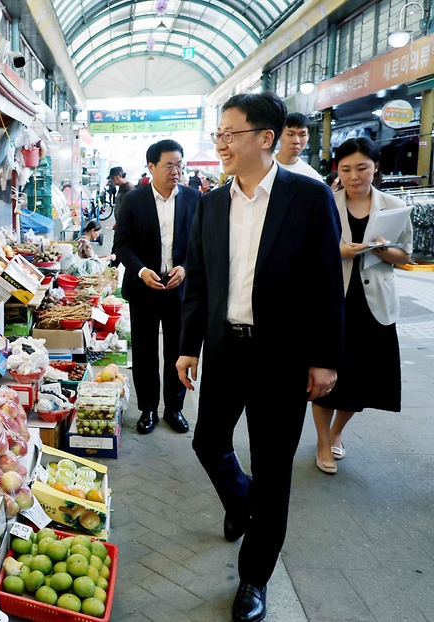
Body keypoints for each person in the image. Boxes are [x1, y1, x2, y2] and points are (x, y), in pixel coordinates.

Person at [176, 92, 344, 622]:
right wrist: (187, 347)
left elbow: (325, 284)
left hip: (282, 359)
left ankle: (254, 578)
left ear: (265, 138)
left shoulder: (307, 198)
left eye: (230, 134)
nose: (220, 144)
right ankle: (240, 498)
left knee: (274, 471)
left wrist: (325, 358)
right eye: (218, 135)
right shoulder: (212, 202)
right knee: (207, 441)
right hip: (225, 351)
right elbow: (200, 282)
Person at [311, 138, 412, 474]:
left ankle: (337, 432)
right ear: (337, 169)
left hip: (373, 307)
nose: (354, 176)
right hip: (332, 302)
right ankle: (323, 442)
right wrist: (339, 251)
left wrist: (384, 250)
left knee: (360, 380)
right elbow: (308, 250)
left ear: (375, 167)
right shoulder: (325, 201)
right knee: (324, 376)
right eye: (346, 168)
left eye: (362, 168)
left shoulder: (393, 204)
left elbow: (405, 255)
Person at [113, 140, 199, 435]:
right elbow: (121, 245)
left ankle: (174, 408)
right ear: (151, 167)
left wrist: (185, 267)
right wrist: (141, 270)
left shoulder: (193, 199)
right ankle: (148, 409)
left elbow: (200, 245)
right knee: (146, 352)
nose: (176, 171)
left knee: (178, 350)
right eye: (170, 165)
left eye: (180, 164)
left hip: (179, 289)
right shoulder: (134, 200)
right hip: (144, 287)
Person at [274, 112, 323, 181]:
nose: (296, 141)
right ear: (279, 135)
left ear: (308, 137)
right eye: (290, 134)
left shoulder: (312, 177)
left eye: (302, 135)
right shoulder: (263, 166)